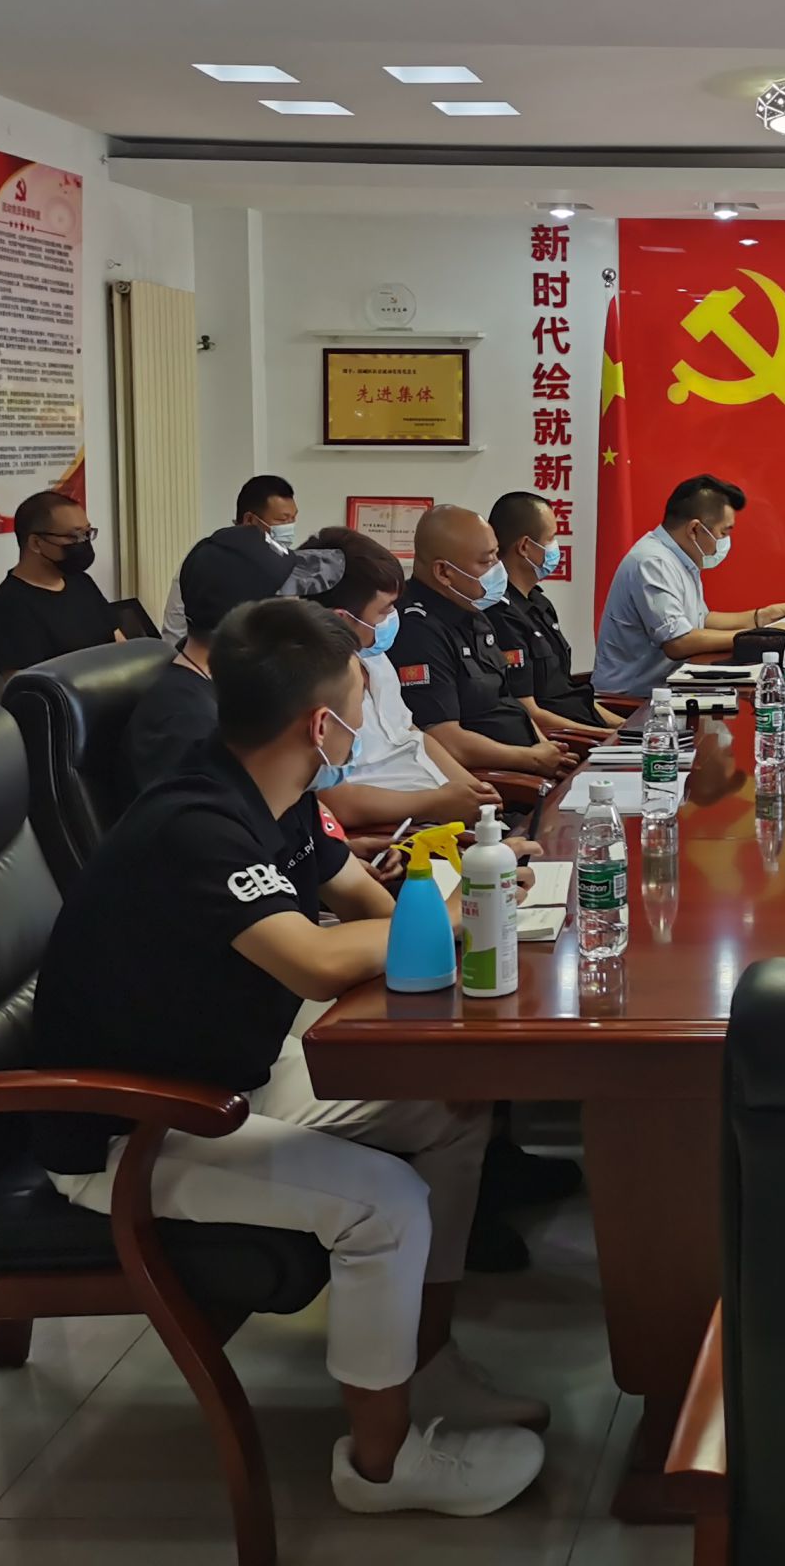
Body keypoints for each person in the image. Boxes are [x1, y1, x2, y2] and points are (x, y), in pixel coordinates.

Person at [31, 599, 549, 1516]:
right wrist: (459, 914)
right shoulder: (195, 823)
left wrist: (449, 899)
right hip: (129, 1125)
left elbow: (370, 910)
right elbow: (312, 961)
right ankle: (382, 1468)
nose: (365, 712)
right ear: (320, 726)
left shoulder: (279, 799)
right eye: (357, 697)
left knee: (453, 1110)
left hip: (235, 1078)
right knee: (385, 1204)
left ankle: (424, 1366)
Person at [298, 526, 514, 834]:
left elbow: (412, 734)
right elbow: (335, 800)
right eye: (384, 610)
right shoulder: (310, 686)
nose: (393, 617)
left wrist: (474, 793)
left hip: (442, 809)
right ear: (340, 619)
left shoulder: (373, 655)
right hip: (397, 830)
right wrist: (436, 803)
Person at [126, 524, 345, 792]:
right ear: (252, 620)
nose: (300, 608)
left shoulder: (233, 690)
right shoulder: (185, 725)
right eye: (290, 599)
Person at [389, 506, 568, 779]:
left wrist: (544, 746)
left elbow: (509, 701)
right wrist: (531, 759)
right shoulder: (417, 631)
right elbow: (445, 739)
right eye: (486, 561)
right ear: (444, 572)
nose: (498, 568)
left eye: (496, 554)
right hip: (498, 781)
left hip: (531, 764)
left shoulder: (474, 609)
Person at [593, 474, 785, 696]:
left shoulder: (681, 558)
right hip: (630, 700)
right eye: (723, 532)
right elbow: (678, 642)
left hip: (666, 690)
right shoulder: (653, 562)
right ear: (695, 530)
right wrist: (759, 638)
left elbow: (700, 619)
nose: (725, 541)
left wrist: (761, 617)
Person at [486, 491, 620, 740]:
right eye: (551, 538)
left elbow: (569, 694)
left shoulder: (539, 603)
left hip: (587, 730)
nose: (555, 547)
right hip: (567, 743)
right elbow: (529, 713)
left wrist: (628, 728)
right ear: (525, 547)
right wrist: (611, 738)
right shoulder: (501, 615)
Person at [0, 491, 121, 676]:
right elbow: (25, 687)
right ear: (36, 543)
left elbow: (121, 646)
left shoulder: (81, 582)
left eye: (87, 533)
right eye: (74, 536)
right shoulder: (9, 607)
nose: (83, 543)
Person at [162, 474, 300, 639]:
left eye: (293, 519)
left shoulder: (285, 564)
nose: (290, 527)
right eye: (282, 520)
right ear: (250, 519)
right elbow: (175, 631)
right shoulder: (204, 560)